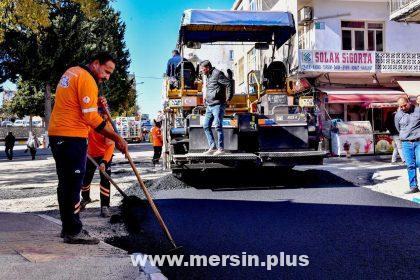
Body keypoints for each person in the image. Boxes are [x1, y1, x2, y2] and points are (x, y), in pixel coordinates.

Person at [48, 52, 128, 245]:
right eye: (106, 71)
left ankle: (67, 227)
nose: (107, 77)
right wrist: (116, 137)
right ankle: (74, 231)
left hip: (56, 134)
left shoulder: (71, 72)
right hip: (72, 137)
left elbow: (77, 105)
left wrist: (96, 104)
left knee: (65, 184)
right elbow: (90, 118)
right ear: (95, 63)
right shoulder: (86, 79)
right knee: (74, 185)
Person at [80, 109, 115, 218]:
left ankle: (105, 206)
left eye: (104, 114)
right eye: (100, 114)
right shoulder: (91, 124)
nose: (103, 116)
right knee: (85, 179)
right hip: (90, 155)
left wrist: (104, 162)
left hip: (105, 155)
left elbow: (110, 146)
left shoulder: (108, 127)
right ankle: (85, 198)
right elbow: (83, 134)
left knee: (105, 180)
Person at [200, 60, 234, 155]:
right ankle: (213, 147)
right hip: (209, 105)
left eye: (202, 69)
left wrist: (229, 98)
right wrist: (205, 98)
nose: (202, 71)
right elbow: (210, 88)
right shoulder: (208, 76)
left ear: (207, 68)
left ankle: (221, 149)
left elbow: (228, 83)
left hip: (218, 104)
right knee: (206, 125)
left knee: (218, 126)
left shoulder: (217, 73)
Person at [395, 96, 420, 194]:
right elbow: (398, 128)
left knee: (419, 163)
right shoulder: (398, 115)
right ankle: (413, 186)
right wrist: (405, 136)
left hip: (418, 142)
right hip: (406, 143)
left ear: (409, 102)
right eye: (401, 107)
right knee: (410, 165)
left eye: (404, 105)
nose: (403, 108)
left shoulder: (418, 111)